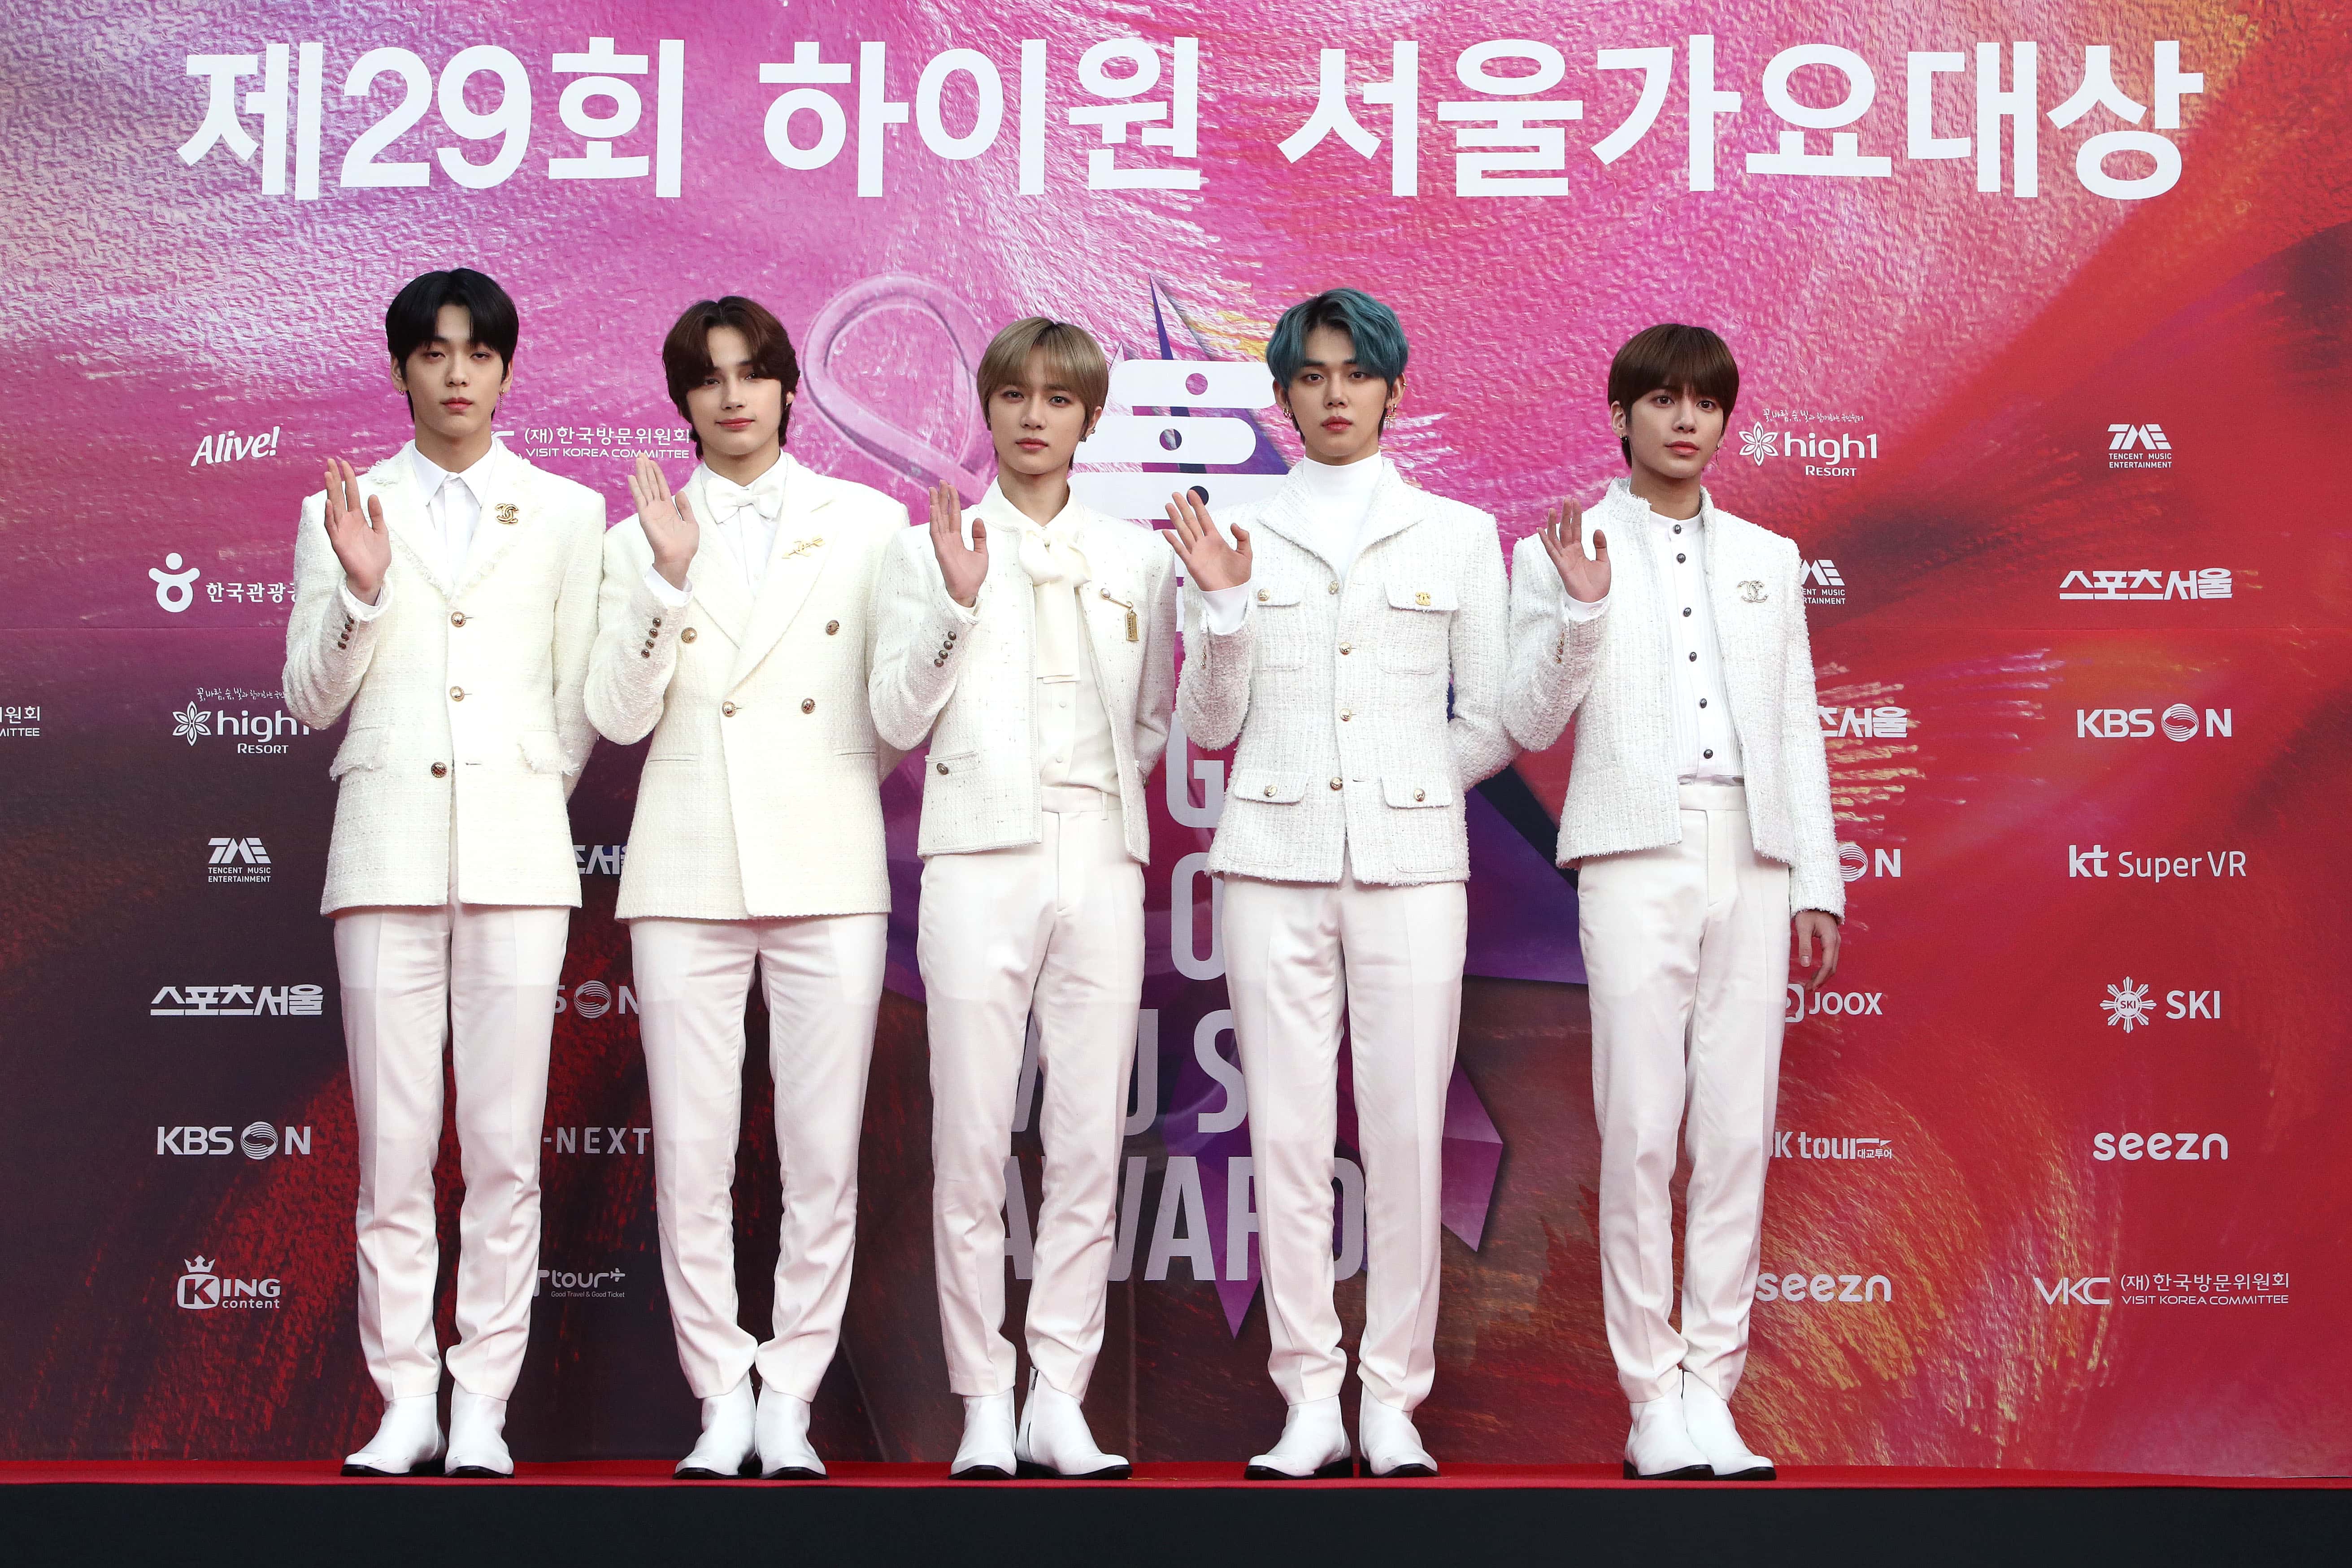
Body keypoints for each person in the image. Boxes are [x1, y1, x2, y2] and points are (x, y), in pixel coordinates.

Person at [1161, 288, 1513, 1479]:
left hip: (1412, 864)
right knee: (1288, 1136)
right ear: (1283, 392)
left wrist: (1407, 783)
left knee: (1409, 1132)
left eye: (1355, 373)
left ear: (1392, 387)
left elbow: (1496, 714)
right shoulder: (1233, 531)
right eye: (1310, 375)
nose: (1334, 394)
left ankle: (1393, 1402)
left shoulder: (1458, 533)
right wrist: (1222, 606)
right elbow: (1210, 727)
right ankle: (1309, 1398)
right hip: (1271, 860)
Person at [1502, 323, 1843, 1481]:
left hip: (1753, 848)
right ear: (1622, 415)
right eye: (1663, 399)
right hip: (1633, 850)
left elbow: (1795, 724)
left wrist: (1816, 877)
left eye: (1706, 402)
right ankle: (1652, 1395)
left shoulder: (1769, 557)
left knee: (1737, 1130)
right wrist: (1582, 612)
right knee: (1643, 1128)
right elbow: (1529, 720)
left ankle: (1713, 1391)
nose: (1686, 419)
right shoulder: (1557, 550)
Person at [283, 268, 605, 1478]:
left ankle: (483, 1403)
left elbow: (575, 703)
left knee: (506, 1150)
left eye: (476, 352)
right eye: (433, 352)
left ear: (506, 370)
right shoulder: (339, 511)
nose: (456, 372)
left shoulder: (568, 513)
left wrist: (514, 789)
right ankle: (406, 1396)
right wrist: (363, 591)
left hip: (518, 860)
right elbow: (309, 697)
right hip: (384, 855)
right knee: (394, 1151)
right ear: (401, 369)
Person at [583, 296, 906, 1479]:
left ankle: (793, 1394)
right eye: (709, 378)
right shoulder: (634, 537)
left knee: (823, 1153)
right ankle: (719, 1389)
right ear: (684, 400)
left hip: (828, 862)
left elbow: (896, 711)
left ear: (786, 388)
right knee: (694, 1151)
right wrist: (668, 582)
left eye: (753, 372)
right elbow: (616, 716)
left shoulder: (868, 523)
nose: (733, 396)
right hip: (687, 865)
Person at [869, 318, 1177, 1480]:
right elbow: (893, 718)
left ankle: (1060, 1395)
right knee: (969, 1139)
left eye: (1057, 398)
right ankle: (983, 1399)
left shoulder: (1138, 558)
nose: (1034, 415)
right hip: (975, 857)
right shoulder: (925, 549)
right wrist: (955, 607)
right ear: (988, 408)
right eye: (1013, 394)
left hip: (1099, 854)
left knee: (1089, 1137)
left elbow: (1152, 720)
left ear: (1090, 418)